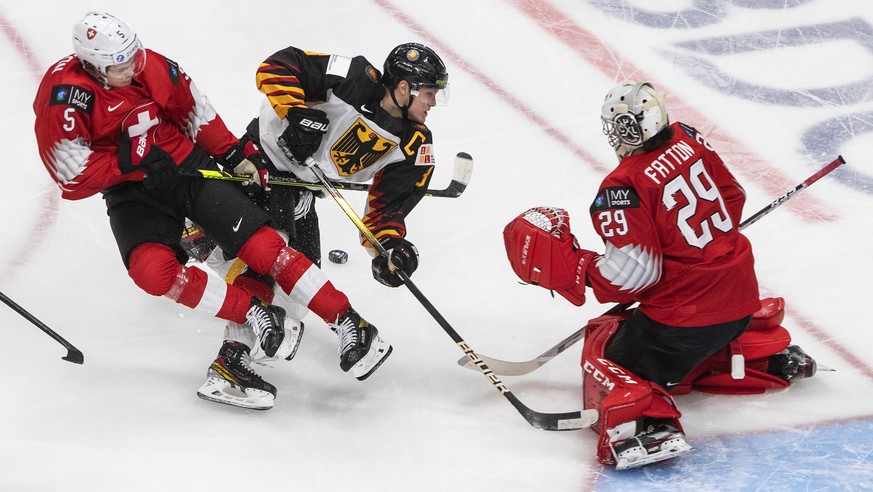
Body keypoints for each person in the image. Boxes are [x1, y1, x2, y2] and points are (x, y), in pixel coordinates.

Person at [33, 11, 384, 411]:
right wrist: (130, 165)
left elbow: (194, 112)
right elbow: (71, 177)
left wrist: (234, 154)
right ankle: (252, 312)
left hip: (187, 168)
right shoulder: (64, 98)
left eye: (135, 54)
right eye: (120, 64)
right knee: (150, 272)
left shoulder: (152, 65)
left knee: (263, 246)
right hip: (131, 192)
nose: (134, 66)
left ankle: (348, 320)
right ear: (93, 67)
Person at [502, 82, 817, 469]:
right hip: (740, 299)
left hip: (683, 322)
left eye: (615, 127)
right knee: (690, 338)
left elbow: (632, 277)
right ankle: (761, 358)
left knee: (608, 348)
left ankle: (649, 425)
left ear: (627, 128)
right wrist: (693, 247)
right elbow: (732, 197)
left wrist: (578, 269)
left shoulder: (622, 187)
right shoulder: (689, 137)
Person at [196, 42, 449, 387]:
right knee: (272, 260)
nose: (433, 103)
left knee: (296, 298)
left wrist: (390, 247)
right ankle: (231, 357)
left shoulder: (414, 144)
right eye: (430, 94)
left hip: (301, 191)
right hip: (257, 164)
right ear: (404, 88)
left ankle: (207, 238)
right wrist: (294, 112)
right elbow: (276, 66)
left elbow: (383, 213)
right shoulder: (354, 77)